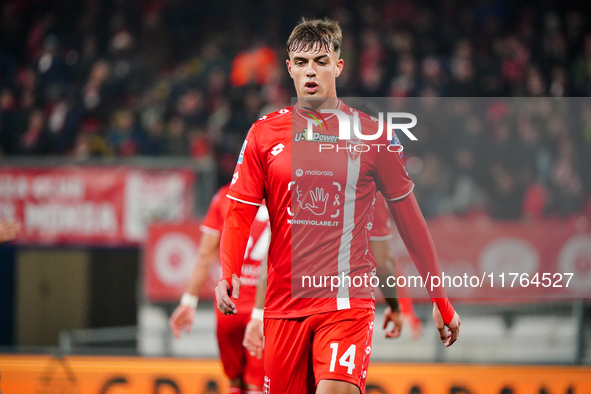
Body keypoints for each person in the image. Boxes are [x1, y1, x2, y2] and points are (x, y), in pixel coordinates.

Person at [216, 18, 460, 394]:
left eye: (320, 60)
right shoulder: (263, 134)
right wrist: (228, 271)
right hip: (283, 308)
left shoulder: (374, 136)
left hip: (346, 303)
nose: (310, 70)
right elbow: (239, 213)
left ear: (338, 66)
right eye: (301, 62)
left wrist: (439, 299)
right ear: (289, 68)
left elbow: (411, 222)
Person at [169, 183, 270, 394]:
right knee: (257, 385)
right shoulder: (283, 193)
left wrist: (188, 301)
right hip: (264, 310)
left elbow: (205, 255)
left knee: (235, 383)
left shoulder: (224, 197)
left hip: (228, 305)